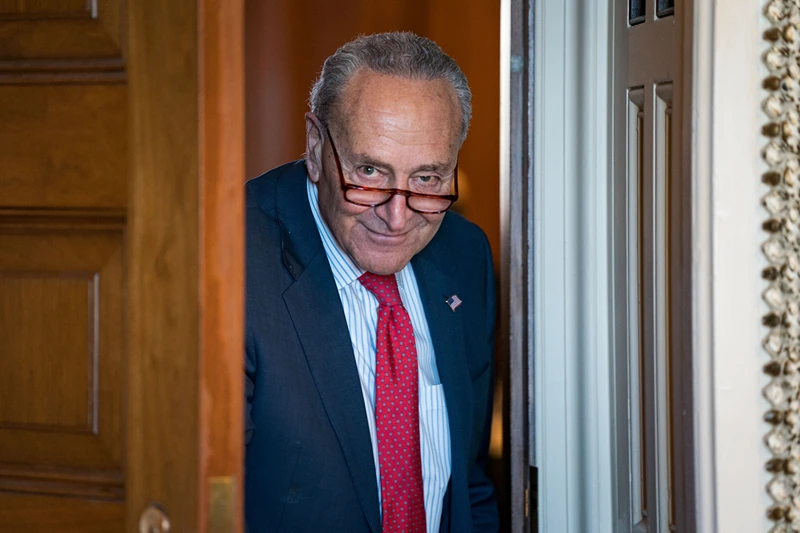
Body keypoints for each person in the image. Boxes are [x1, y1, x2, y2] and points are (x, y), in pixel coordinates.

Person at [245, 31, 498, 533]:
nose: (397, 219)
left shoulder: (465, 255)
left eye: (427, 178)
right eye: (369, 172)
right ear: (315, 146)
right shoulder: (228, 258)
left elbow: (469, 485)